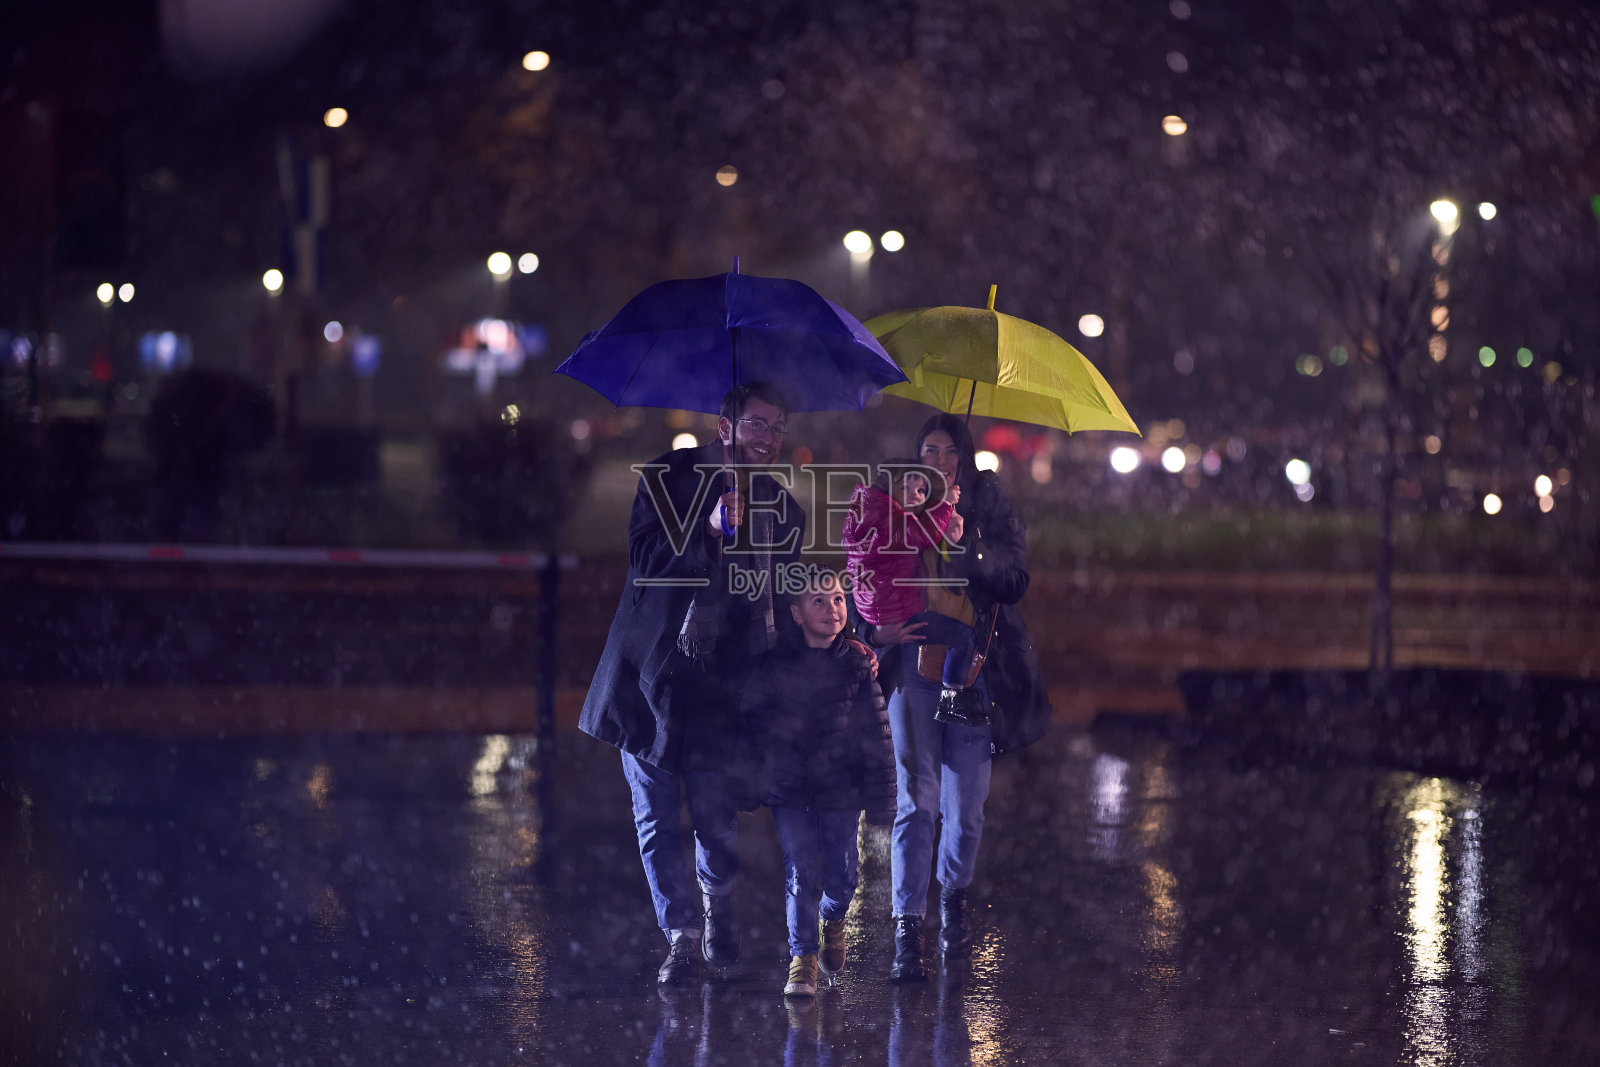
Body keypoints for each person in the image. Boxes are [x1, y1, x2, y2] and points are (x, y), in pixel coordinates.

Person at [580, 381, 805, 985]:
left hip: (721, 684)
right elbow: (646, 561)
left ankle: (717, 903)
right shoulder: (668, 476)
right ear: (724, 426)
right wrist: (704, 528)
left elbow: (782, 603)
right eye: (758, 425)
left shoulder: (783, 509)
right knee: (654, 813)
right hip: (650, 674)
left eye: (778, 428)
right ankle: (680, 935)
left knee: (714, 813)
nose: (769, 439)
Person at [855, 413, 1050, 982]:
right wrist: (875, 631)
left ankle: (954, 903)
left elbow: (1014, 581)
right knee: (918, 800)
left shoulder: (987, 504)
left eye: (947, 451)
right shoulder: (895, 497)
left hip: (972, 673)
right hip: (913, 668)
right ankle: (906, 931)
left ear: (963, 458)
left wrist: (966, 543)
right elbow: (861, 573)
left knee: (965, 809)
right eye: (927, 449)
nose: (936, 461)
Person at [735, 570, 896, 999]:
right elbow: (755, 730)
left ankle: (833, 916)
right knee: (800, 871)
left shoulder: (858, 664)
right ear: (796, 614)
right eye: (819, 601)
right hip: (791, 791)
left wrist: (882, 798)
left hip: (841, 791)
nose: (832, 609)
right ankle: (802, 960)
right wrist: (748, 786)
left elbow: (876, 732)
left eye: (839, 599)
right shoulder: (775, 666)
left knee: (842, 875)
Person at [842, 460, 983, 721]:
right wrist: (946, 504)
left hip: (879, 607)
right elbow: (923, 534)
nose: (916, 496)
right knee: (962, 636)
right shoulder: (892, 521)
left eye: (921, 490)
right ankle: (953, 697)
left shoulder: (864, 514)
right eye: (908, 487)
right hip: (895, 614)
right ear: (886, 488)